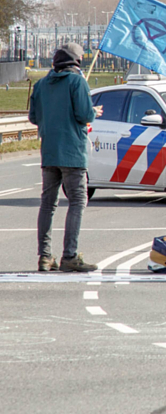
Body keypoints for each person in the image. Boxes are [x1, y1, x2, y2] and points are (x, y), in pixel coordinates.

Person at [28, 43, 101, 273]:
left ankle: (44, 256)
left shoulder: (40, 85)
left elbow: (33, 117)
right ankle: (69, 256)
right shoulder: (77, 82)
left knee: (47, 204)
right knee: (77, 201)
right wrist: (93, 112)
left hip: (49, 151)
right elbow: (84, 115)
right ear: (77, 61)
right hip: (72, 152)